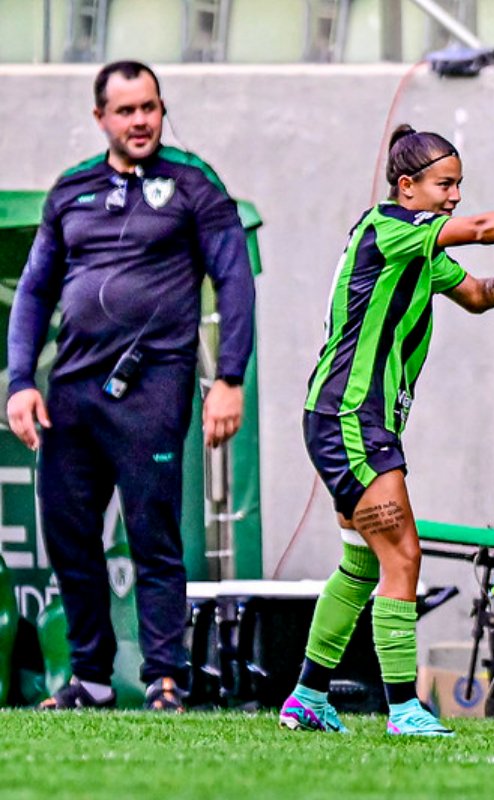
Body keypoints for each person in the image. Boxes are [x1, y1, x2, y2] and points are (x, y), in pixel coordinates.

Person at [278, 124, 494, 738]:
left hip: (350, 418)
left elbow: (479, 294)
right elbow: (478, 230)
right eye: (444, 185)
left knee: (362, 565)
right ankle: (404, 709)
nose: (455, 197)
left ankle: (307, 697)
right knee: (403, 554)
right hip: (351, 416)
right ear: (407, 186)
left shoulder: (417, 248)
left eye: (459, 185)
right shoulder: (390, 229)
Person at [6, 60, 255, 712]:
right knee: (68, 535)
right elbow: (34, 290)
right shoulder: (71, 190)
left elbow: (234, 280)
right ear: (101, 118)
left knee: (153, 535)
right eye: (126, 110)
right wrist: (19, 381)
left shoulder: (195, 184)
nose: (140, 120)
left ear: (161, 109)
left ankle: (165, 677)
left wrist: (229, 377)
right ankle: (90, 678)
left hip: (154, 385)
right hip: (72, 391)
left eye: (150, 107)